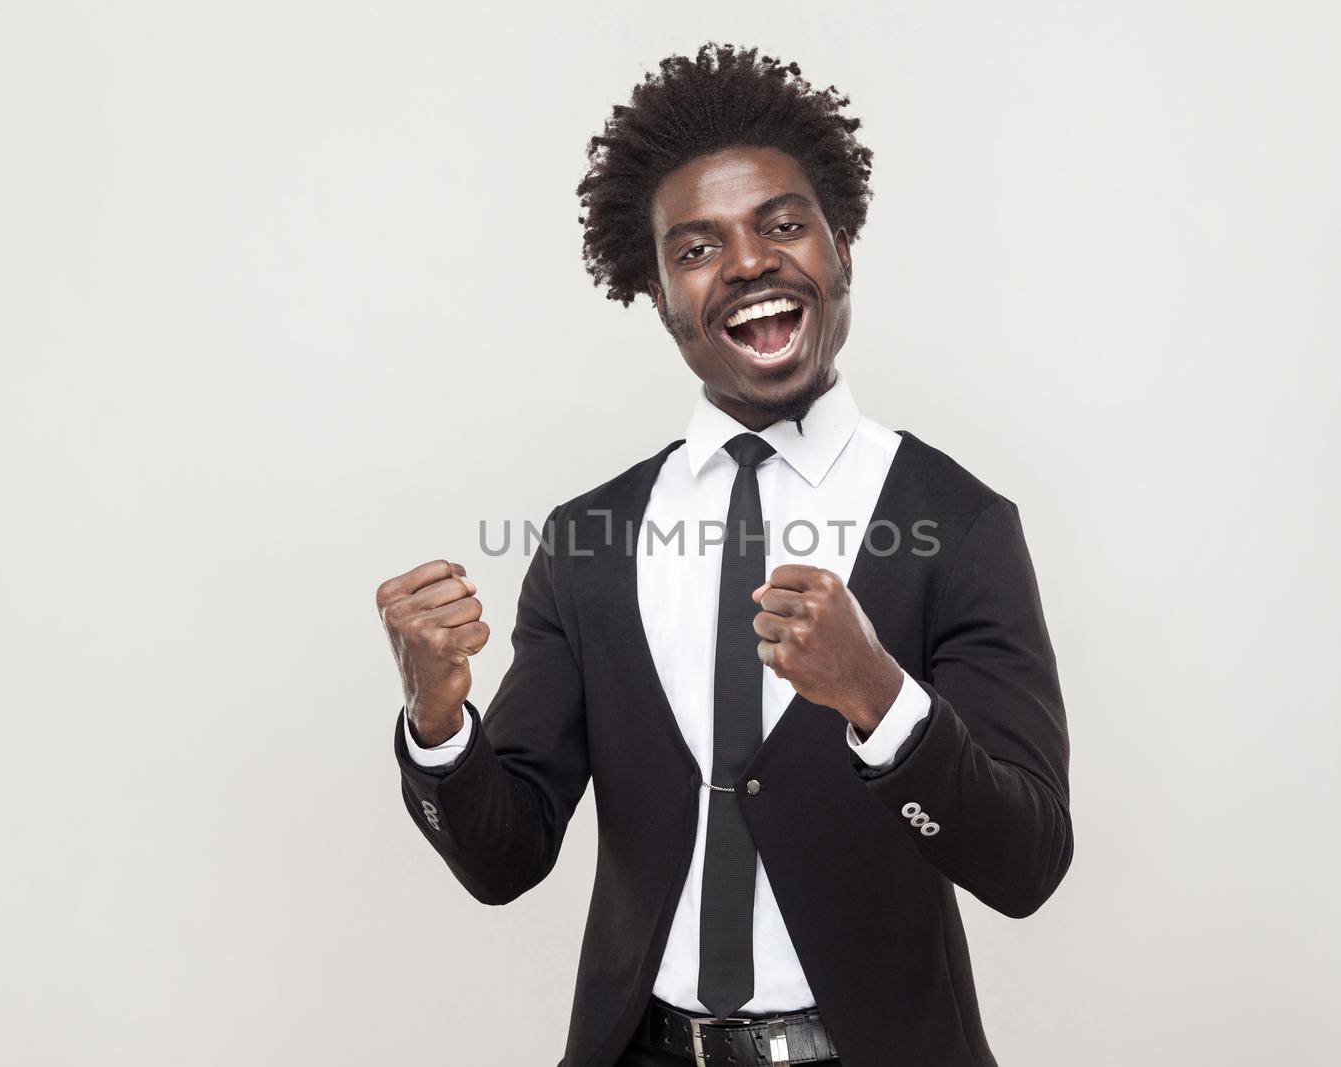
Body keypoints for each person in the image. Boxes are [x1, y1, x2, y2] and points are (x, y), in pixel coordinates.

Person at [377, 42, 1074, 1067]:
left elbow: (1026, 862)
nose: (748, 262)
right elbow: (504, 854)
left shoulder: (957, 521)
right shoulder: (588, 541)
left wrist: (879, 696)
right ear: (657, 293)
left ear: (840, 250)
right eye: (697, 247)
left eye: (783, 226)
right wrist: (439, 721)